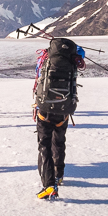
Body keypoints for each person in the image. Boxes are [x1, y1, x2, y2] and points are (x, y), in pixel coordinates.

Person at [32, 39, 85, 200]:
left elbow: (38, 77)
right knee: (59, 141)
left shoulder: (46, 60)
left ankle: (48, 185)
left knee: (44, 145)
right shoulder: (72, 61)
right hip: (64, 109)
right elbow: (81, 54)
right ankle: (59, 175)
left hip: (45, 109)